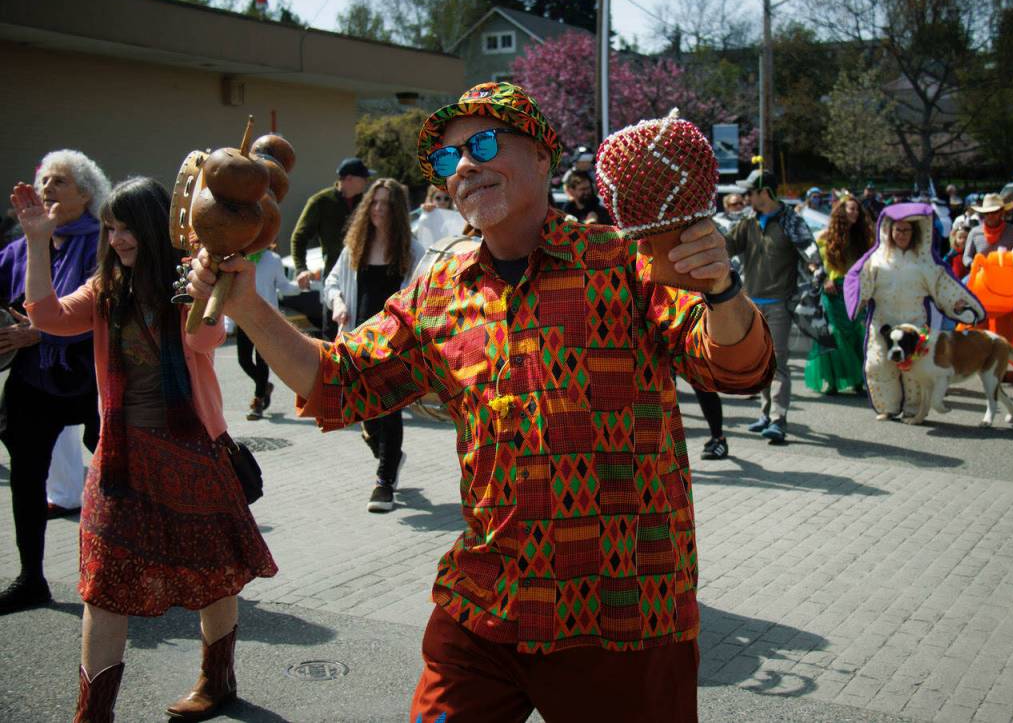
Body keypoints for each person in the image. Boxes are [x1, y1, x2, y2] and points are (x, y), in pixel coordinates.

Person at [187, 81, 773, 722]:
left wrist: (721, 289)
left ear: (544, 157)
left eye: (485, 144)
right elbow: (338, 379)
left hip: (623, 611)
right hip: (488, 605)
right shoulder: (439, 289)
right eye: (446, 158)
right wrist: (247, 305)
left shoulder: (621, 261)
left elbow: (736, 368)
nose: (463, 165)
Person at [16, 177, 277, 721]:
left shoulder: (187, 284)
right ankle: (93, 713)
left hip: (192, 450)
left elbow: (206, 339)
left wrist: (207, 291)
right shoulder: (104, 291)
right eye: (110, 227)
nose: (117, 238)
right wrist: (38, 240)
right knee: (102, 583)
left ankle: (217, 678)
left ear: (158, 228)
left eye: (128, 226)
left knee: (214, 574)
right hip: (120, 456)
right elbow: (43, 315)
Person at [0, 150, 108, 615]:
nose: (46, 189)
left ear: (85, 194)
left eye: (59, 181)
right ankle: (31, 579)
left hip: (91, 376)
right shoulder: (20, 246)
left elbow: (102, 312)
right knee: (26, 477)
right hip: (31, 377)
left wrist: (38, 331)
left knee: (113, 477)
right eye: (44, 180)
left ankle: (118, 572)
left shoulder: (103, 242)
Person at [322, 178, 425, 512]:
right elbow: (333, 281)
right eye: (374, 202)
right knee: (366, 413)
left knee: (389, 408)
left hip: (394, 343)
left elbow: (424, 291)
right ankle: (390, 457)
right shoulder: (357, 246)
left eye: (386, 204)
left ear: (397, 210)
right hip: (357, 341)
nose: (379, 209)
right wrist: (337, 303)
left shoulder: (411, 250)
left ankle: (384, 483)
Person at [845, 203, 983, 421]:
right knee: (879, 364)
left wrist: (963, 308)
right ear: (889, 230)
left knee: (916, 370)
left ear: (915, 232)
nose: (901, 234)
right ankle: (888, 408)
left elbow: (944, 286)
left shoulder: (926, 262)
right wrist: (858, 300)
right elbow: (858, 280)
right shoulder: (875, 259)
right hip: (882, 323)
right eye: (897, 230)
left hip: (914, 326)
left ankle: (913, 409)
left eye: (906, 230)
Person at [726, 168, 821, 444]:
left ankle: (779, 419)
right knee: (759, 361)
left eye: (750, 192)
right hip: (750, 303)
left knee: (777, 362)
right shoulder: (748, 221)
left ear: (764, 193)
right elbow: (728, 245)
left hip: (780, 303)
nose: (746, 197)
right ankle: (765, 413)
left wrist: (815, 268)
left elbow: (809, 250)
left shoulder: (791, 221)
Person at [289, 157, 370, 340]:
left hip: (366, 273)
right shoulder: (321, 202)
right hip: (335, 275)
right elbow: (299, 236)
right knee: (333, 328)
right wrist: (301, 268)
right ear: (348, 179)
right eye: (363, 177)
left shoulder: (367, 202)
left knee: (363, 327)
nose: (366, 182)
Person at [804, 195, 874, 395]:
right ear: (841, 211)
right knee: (833, 333)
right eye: (850, 209)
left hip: (855, 290)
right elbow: (811, 260)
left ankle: (859, 380)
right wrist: (824, 279)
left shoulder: (863, 237)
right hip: (833, 290)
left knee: (855, 332)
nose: (855, 213)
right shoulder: (825, 236)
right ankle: (832, 380)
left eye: (857, 210)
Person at [236, 245, 300, 420]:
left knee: (261, 361)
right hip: (244, 317)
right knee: (244, 360)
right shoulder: (238, 259)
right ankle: (264, 386)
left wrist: (299, 286)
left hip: (266, 318)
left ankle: (258, 402)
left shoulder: (272, 259)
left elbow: (283, 285)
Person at [963, 193, 1013, 267]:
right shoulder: (974, 232)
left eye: (994, 212)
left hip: (1008, 275)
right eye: (986, 213)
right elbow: (966, 257)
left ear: (1001, 212)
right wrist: (972, 264)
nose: (990, 216)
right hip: (982, 274)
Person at [944, 214, 974, 281]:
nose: (963, 240)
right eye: (960, 238)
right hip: (955, 281)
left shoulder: (971, 253)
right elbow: (944, 263)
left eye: (965, 237)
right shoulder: (953, 252)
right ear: (955, 239)